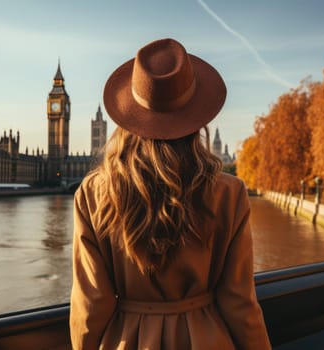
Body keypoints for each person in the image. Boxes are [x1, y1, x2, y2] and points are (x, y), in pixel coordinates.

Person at [70, 38, 271, 349]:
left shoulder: (93, 193)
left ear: (127, 115)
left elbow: (91, 304)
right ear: (197, 117)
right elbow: (239, 302)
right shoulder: (229, 193)